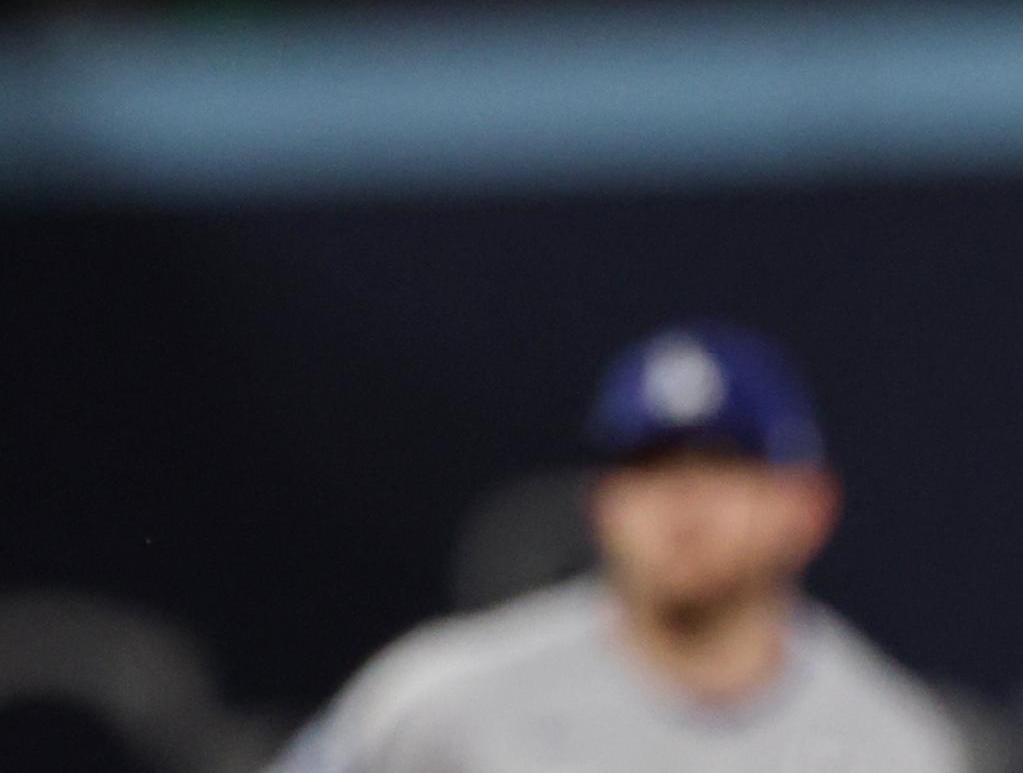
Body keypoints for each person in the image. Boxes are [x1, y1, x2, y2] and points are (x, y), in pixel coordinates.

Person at [269, 324, 965, 773]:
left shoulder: (894, 744)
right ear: (601, 504)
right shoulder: (440, 700)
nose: (682, 504)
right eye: (649, 468)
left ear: (809, 506)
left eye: (724, 468)